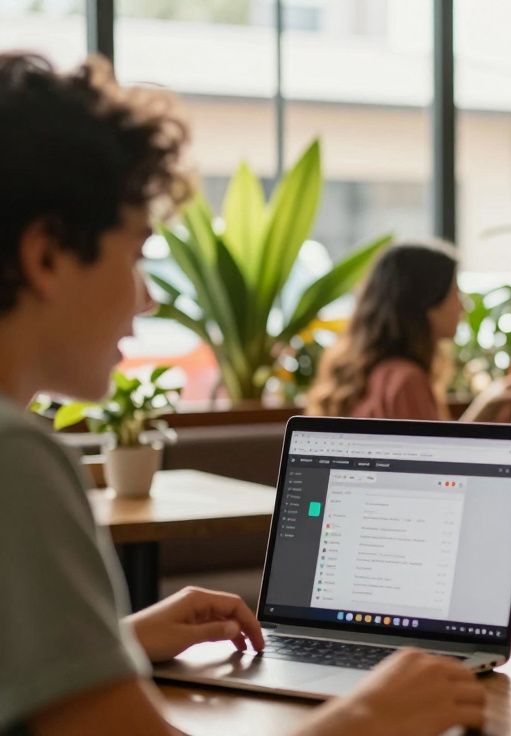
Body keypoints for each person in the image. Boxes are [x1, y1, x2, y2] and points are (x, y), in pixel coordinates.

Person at [0, 53, 483, 735]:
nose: (148, 296)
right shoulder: (16, 455)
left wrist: (115, 642)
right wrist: (369, 717)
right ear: (46, 255)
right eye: (137, 252)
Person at [306, 239, 463, 420]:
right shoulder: (406, 381)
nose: (462, 307)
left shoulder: (372, 374)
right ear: (427, 302)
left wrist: (487, 405)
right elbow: (434, 448)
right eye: (455, 293)